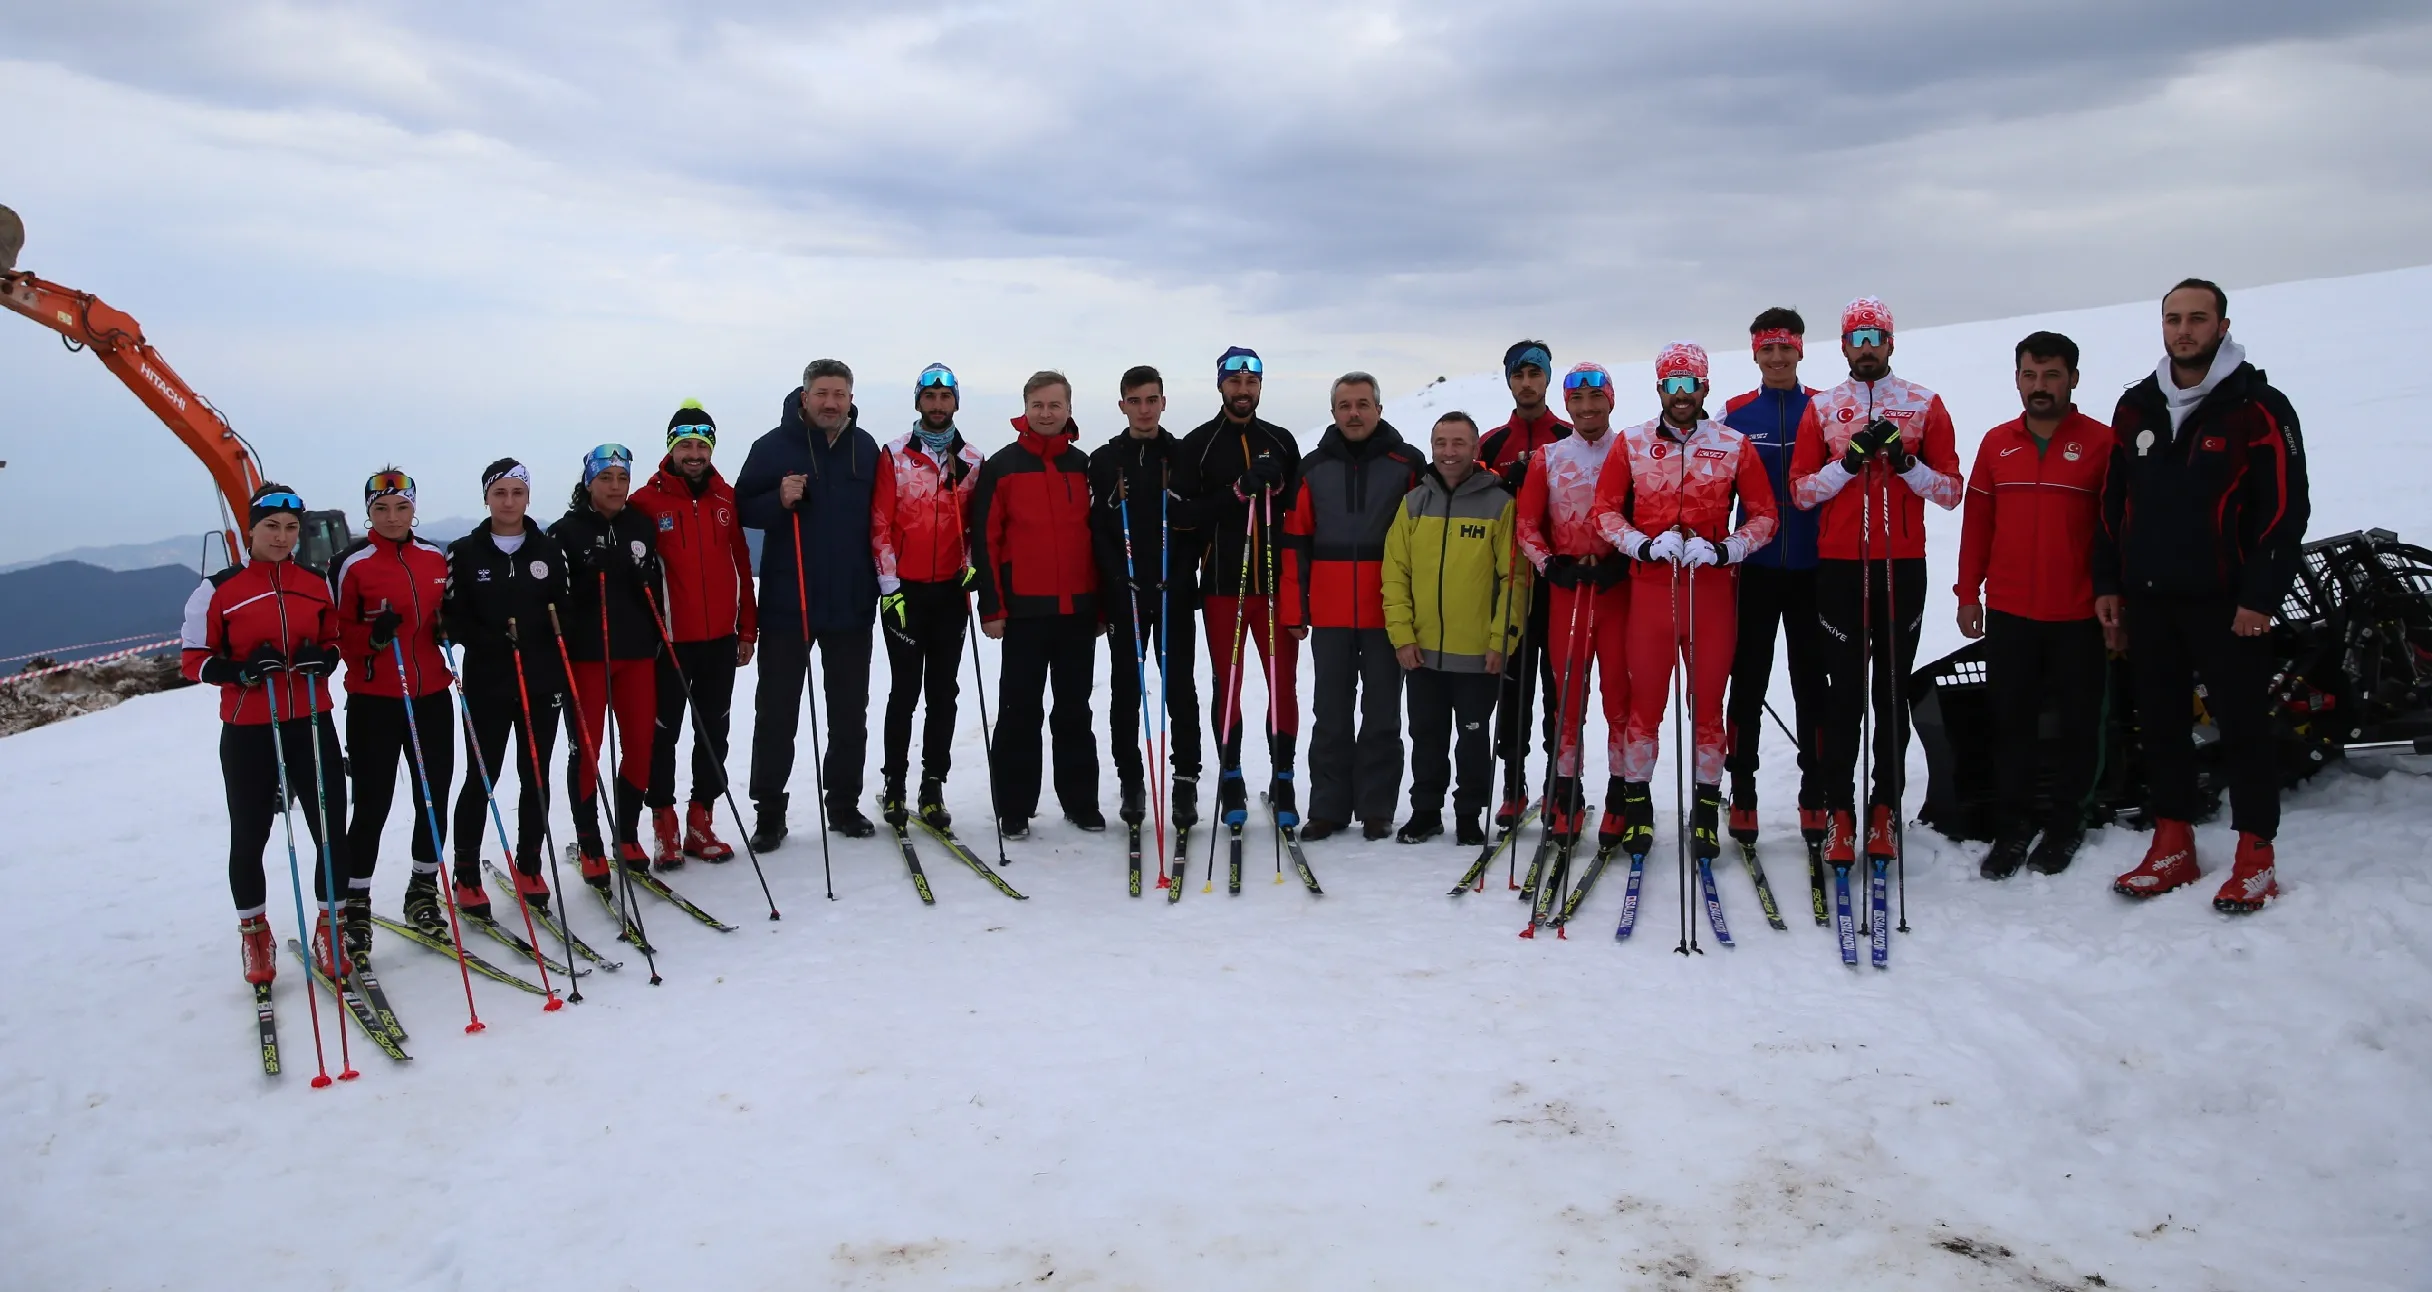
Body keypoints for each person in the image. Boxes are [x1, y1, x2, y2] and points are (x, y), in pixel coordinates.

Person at [2096, 278, 2309, 913]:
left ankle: (2255, 854)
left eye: (2196, 318)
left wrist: (2261, 596)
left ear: (2221, 324)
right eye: (2172, 320)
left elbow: (2285, 511)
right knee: (2160, 724)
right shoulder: (2137, 407)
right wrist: (2109, 584)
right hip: (2151, 599)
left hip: (2228, 605)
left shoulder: (2259, 407)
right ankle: (2173, 841)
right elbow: (2113, 508)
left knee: (2243, 727)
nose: (2183, 330)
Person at [1787, 297, 1964, 871]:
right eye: (1856, 337)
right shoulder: (1824, 408)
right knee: (1844, 699)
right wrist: (1848, 464)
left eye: (1876, 336)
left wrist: (1906, 463)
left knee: (1889, 693)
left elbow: (1951, 491)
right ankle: (1842, 814)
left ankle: (1884, 808)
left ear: (1890, 343)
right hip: (1839, 565)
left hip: (1900, 562)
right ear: (1842, 346)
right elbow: (1802, 492)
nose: (1866, 346)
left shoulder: (1922, 403)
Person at [1594, 343, 1779, 862]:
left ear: (1704, 387)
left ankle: (1704, 812)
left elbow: (1765, 515)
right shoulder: (1630, 443)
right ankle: (1637, 809)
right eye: (1671, 384)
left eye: (1690, 384)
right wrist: (1643, 544)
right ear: (1659, 388)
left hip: (1710, 592)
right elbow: (1604, 512)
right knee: (1644, 708)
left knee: (1707, 711)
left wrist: (1725, 549)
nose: (1681, 394)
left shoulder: (1733, 444)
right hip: (1651, 592)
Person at [1956, 332, 2115, 879]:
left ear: (2073, 378)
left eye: (2051, 375)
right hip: (2009, 611)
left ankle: (2067, 822)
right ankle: (2013, 826)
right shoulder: (1997, 443)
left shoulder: (2102, 444)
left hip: (2078, 614)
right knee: (2011, 724)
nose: (2040, 386)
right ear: (2017, 379)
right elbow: (1978, 523)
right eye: (2030, 375)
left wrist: (2116, 599)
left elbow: (2118, 530)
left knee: (2078, 725)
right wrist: (1966, 593)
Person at [181, 483, 350, 983]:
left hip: (311, 720)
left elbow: (333, 637)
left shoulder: (316, 582)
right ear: (250, 530)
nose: (282, 537)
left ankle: (331, 927)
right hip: (248, 727)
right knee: (250, 833)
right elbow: (193, 661)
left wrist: (328, 657)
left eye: (291, 528)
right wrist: (238, 671)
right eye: (271, 527)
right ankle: (255, 935)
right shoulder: (218, 589)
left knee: (329, 829)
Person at [737, 359, 882, 846]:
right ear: (805, 396)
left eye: (839, 394)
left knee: (848, 713)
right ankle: (770, 813)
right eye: (821, 393)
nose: (830, 403)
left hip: (850, 603)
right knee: (777, 711)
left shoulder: (865, 449)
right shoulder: (773, 447)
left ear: (850, 398)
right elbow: (741, 508)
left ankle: (843, 805)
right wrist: (777, 498)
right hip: (787, 601)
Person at [1279, 372, 1425, 840]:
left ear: (1379, 409)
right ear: (1334, 413)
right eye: (1345, 406)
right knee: (1331, 713)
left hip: (1387, 613)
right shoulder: (1313, 467)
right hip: (1331, 612)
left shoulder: (1407, 465)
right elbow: (1296, 541)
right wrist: (1294, 608)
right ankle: (1327, 807)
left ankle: (1377, 807)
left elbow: (1423, 541)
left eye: (1363, 404)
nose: (1355, 413)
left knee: (1383, 713)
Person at [970, 370, 1104, 838]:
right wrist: (992, 606)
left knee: (1074, 710)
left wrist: (1101, 606)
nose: (1046, 414)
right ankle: (1015, 806)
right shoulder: (1003, 467)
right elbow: (986, 541)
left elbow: (1099, 540)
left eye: (1055, 405)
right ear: (1025, 410)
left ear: (1069, 409)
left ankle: (1081, 801)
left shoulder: (1083, 466)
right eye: (1038, 406)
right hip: (1024, 611)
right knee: (1019, 710)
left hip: (1078, 611)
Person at [1383, 411, 1526, 846]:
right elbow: (1395, 574)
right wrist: (1402, 636)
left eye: (1458, 443)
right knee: (1425, 736)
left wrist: (1502, 640)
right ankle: (1426, 812)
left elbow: (1515, 579)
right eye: (1441, 442)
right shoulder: (1413, 505)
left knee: (1472, 740)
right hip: (1422, 651)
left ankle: (1468, 814)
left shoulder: (1499, 504)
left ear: (1476, 448)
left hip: (1477, 655)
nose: (1449, 452)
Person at [1175, 347, 1304, 828]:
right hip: (1222, 585)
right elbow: (1181, 516)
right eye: (1234, 381)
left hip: (1273, 585)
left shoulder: (1281, 440)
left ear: (1260, 387)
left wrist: (1278, 490)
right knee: (1227, 686)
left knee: (1281, 684)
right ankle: (1231, 775)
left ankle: (1284, 775)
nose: (1243, 390)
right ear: (1220, 385)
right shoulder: (1199, 444)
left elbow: (1301, 509)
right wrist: (1236, 492)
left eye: (1251, 382)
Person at [329, 468, 454, 951]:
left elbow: (445, 611)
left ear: (413, 509)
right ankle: (356, 898)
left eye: (401, 508)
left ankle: (423, 890)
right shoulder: (350, 563)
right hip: (374, 699)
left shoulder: (433, 557)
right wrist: (371, 638)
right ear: (368, 513)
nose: (392, 517)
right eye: (381, 509)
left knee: (434, 794)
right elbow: (335, 630)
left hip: (430, 695)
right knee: (373, 801)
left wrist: (446, 628)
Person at [1720, 308, 1829, 854]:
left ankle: (1815, 791)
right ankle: (1742, 788)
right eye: (1768, 349)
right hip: (1755, 571)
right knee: (1748, 683)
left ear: (1801, 350)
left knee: (1814, 686)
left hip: (1815, 571)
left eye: (1786, 348)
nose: (1778, 358)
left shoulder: (1825, 409)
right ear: (1756, 353)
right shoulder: (1736, 415)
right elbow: (1715, 491)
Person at [631, 401, 758, 867]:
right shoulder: (646, 502)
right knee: (662, 733)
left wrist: (747, 628)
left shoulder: (726, 498)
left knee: (713, 732)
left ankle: (700, 819)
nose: (693, 453)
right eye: (685, 444)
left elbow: (741, 564)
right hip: (669, 642)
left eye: (701, 445)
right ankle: (662, 822)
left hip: (720, 639)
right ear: (671, 448)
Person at [441, 458, 568, 917]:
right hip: (488, 680)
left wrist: (547, 634)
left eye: (517, 492)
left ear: (528, 497)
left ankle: (529, 863)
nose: (509, 502)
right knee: (482, 776)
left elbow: (565, 608)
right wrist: (486, 636)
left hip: (540, 678)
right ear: (487, 499)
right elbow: (451, 616)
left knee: (535, 775)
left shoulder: (549, 549)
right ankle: (467, 872)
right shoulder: (465, 551)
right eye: (500, 493)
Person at [1515, 362, 1632, 844]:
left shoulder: (1631, 450)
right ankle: (1566, 792)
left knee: (1619, 699)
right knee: (1567, 702)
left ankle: (1623, 795)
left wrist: (1623, 561)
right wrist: (1549, 565)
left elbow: (1646, 513)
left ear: (1610, 399)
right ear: (1567, 403)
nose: (1587, 408)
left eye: (1596, 398)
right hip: (1568, 589)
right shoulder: (1549, 456)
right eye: (1578, 400)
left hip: (1616, 590)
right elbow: (1526, 525)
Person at [1089, 365, 1205, 832]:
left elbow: (1197, 526)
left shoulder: (1182, 455)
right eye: (1134, 401)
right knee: (1125, 689)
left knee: (1180, 688)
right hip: (1127, 593)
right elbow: (1097, 528)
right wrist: (1117, 577)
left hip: (1172, 591)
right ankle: (1131, 778)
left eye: (1151, 399)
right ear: (1122, 405)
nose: (1144, 409)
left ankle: (1185, 778)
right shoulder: (1104, 458)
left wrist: (1181, 574)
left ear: (1163, 402)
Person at [870, 363, 983, 829]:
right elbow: (879, 522)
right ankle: (894, 785)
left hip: (949, 593)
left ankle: (932, 786)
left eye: (946, 397)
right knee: (904, 692)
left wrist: (972, 564)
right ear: (918, 401)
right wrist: (890, 586)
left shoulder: (973, 460)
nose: (938, 405)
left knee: (944, 693)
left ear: (956, 402)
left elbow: (977, 524)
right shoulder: (894, 454)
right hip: (906, 593)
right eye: (930, 397)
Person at [549, 444, 664, 881]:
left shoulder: (640, 525)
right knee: (588, 749)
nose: (615, 487)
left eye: (621, 478)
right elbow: (554, 598)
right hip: (587, 657)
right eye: (605, 478)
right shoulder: (566, 532)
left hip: (636, 653)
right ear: (588, 483)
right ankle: (589, 840)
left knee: (639, 745)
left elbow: (654, 578)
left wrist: (643, 579)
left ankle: (628, 832)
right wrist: (581, 584)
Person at [1478, 340, 1571, 825]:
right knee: (1512, 690)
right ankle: (1513, 785)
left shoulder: (1567, 434)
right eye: (1519, 375)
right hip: (1511, 583)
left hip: (1559, 580)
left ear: (1548, 378)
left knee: (1559, 689)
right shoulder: (1491, 442)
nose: (1527, 383)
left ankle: (1561, 784)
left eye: (1536, 373)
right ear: (1510, 380)